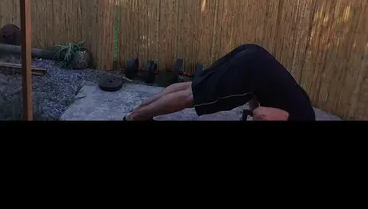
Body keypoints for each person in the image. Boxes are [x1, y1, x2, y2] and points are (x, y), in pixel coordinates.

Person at [124, 44, 315, 121]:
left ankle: (139, 110)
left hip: (253, 55)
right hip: (250, 70)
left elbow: (261, 91)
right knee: (192, 97)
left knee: (192, 87)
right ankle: (135, 117)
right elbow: (261, 114)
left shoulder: (305, 109)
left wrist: (252, 97)